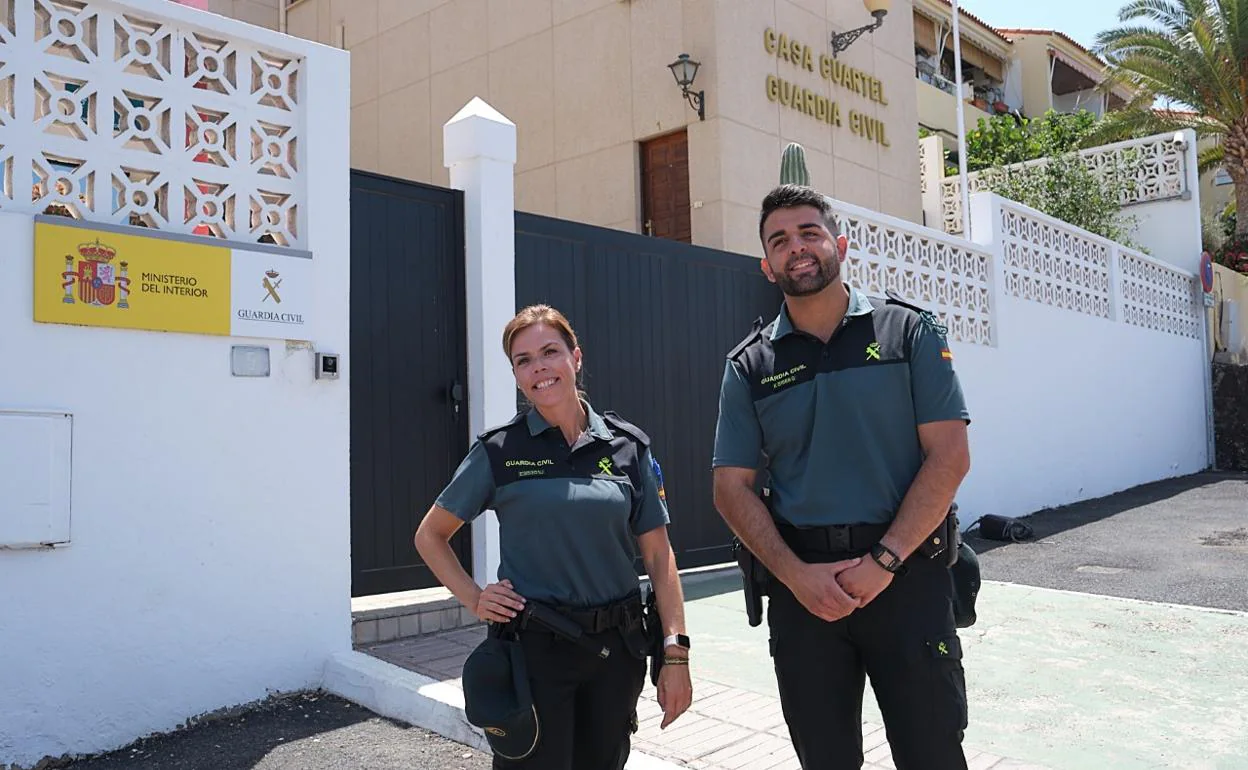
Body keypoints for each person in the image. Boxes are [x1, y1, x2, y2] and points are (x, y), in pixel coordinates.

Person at [711, 184, 973, 770]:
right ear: (766, 264)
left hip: (907, 581)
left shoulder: (910, 332)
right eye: (779, 241)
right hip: (805, 595)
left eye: (810, 233)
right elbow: (730, 487)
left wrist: (883, 562)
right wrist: (796, 576)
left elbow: (950, 456)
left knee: (932, 753)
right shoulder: (749, 365)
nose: (796, 249)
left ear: (841, 244)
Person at [415, 304, 693, 770]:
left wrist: (676, 653)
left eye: (550, 351)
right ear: (517, 375)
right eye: (523, 360)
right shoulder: (500, 450)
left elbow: (659, 557)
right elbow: (431, 535)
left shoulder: (626, 448)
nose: (539, 367)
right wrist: (475, 598)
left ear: (576, 358)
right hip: (534, 655)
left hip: (615, 654)